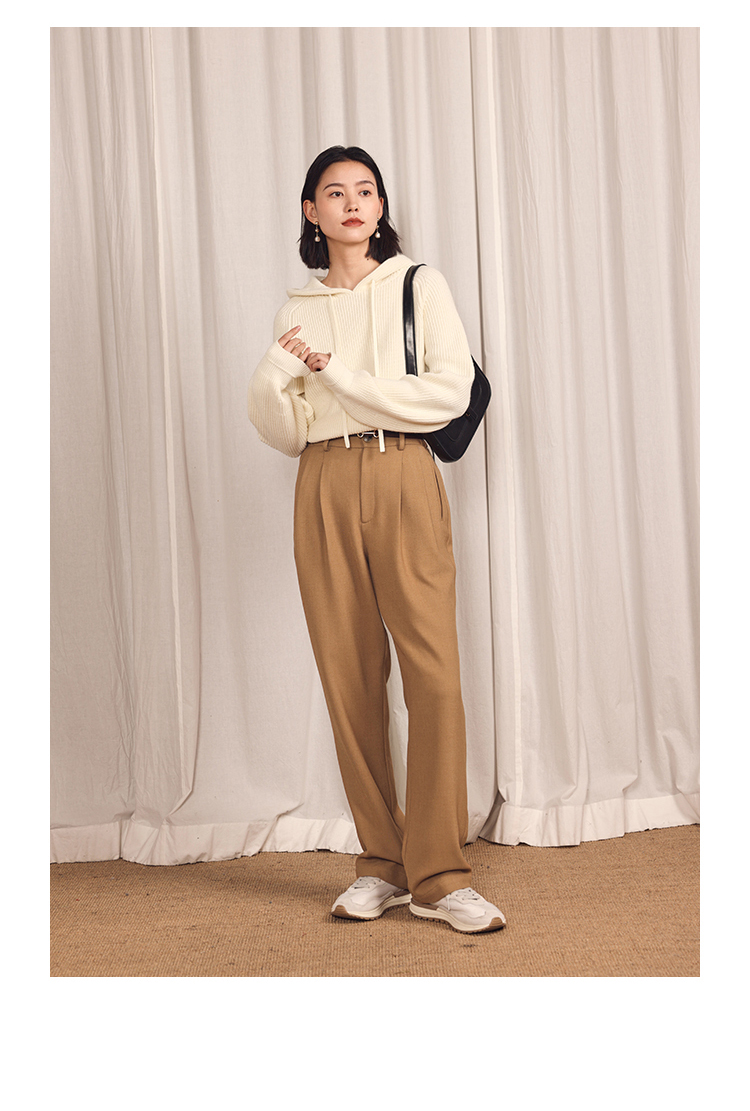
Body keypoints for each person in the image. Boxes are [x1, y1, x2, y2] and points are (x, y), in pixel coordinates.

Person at [248, 145, 506, 934]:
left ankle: (440, 874)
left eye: (366, 190)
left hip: (403, 473)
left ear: (381, 206)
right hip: (322, 480)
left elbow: (447, 392)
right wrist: (271, 374)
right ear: (311, 211)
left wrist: (339, 378)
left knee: (434, 675)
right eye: (335, 192)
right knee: (348, 677)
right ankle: (382, 864)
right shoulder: (296, 310)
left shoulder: (418, 284)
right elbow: (287, 430)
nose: (353, 202)